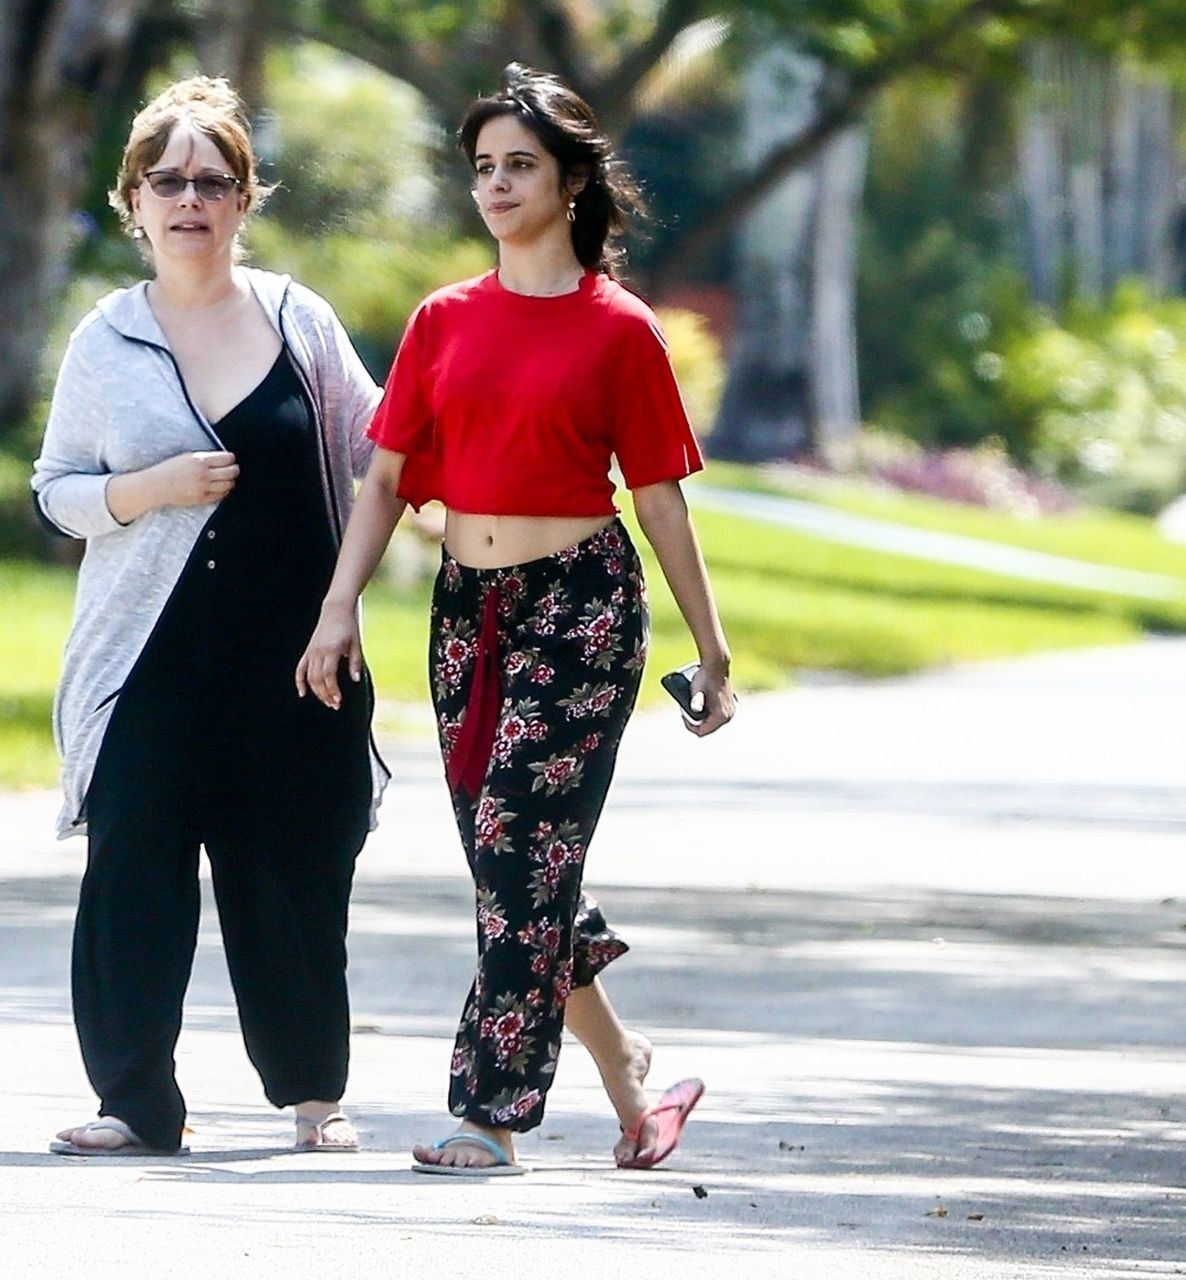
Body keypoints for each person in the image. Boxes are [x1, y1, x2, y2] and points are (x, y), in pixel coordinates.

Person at [297, 64, 735, 1176]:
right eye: (483, 167)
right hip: (468, 612)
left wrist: (714, 649)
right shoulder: (443, 320)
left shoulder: (622, 331)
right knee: (515, 865)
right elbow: (386, 479)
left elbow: (661, 499)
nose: (496, 185)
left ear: (572, 180)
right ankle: (631, 1073)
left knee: (518, 848)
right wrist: (338, 606)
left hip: (582, 608)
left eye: (520, 166)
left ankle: (488, 1113)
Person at [32, 77, 389, 1158]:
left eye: (212, 181)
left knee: (294, 871)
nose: (189, 199)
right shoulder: (105, 340)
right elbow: (57, 491)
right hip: (148, 654)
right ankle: (135, 1100)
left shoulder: (298, 320)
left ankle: (315, 1097)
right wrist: (151, 488)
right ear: (132, 201)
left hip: (295, 652)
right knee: (133, 865)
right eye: (168, 181)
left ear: (244, 199)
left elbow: (379, 450)